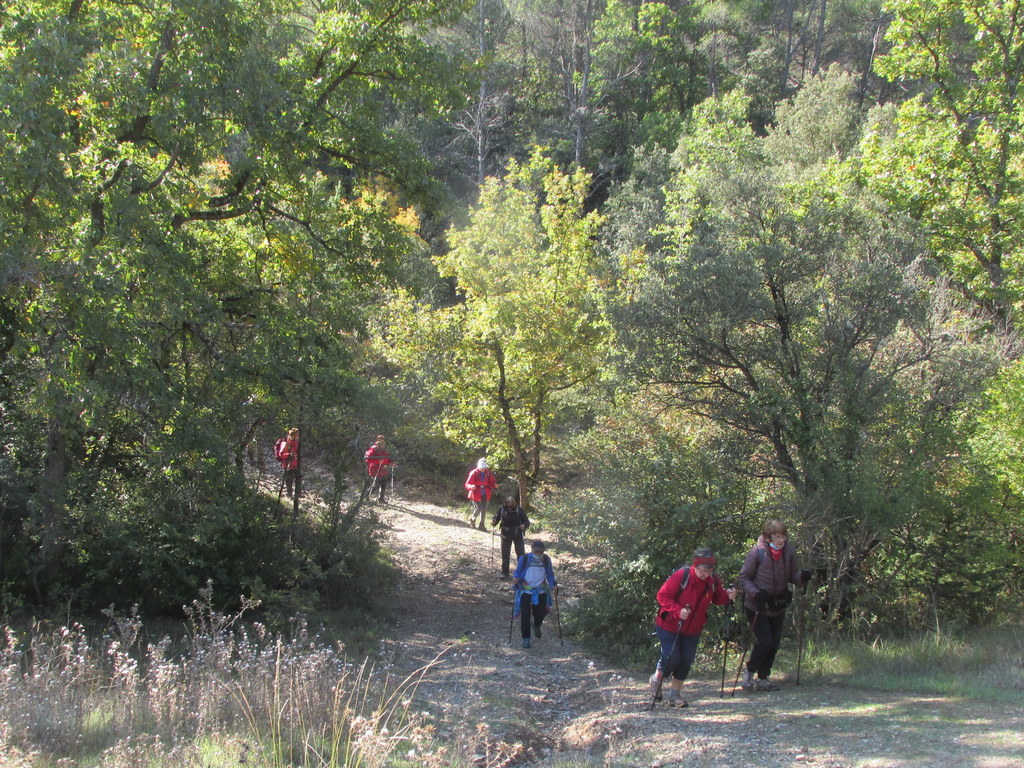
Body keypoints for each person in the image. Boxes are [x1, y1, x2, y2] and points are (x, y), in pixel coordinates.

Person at [648, 547, 736, 707]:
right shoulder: (682, 576)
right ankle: (656, 679)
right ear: (695, 566)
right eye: (703, 570)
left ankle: (675, 696)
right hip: (669, 625)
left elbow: (718, 599)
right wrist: (677, 611)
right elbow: (662, 595)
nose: (706, 574)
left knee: (686, 661)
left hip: (693, 628)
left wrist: (728, 596)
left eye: (709, 570)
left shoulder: (713, 580)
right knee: (672, 658)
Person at [737, 519, 812, 692]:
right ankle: (749, 673)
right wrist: (756, 593)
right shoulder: (756, 553)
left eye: (783, 536)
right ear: (768, 537)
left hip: (778, 603)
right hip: (757, 605)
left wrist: (802, 577)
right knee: (765, 641)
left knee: (775, 643)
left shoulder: (788, 552)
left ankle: (763, 678)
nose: (781, 540)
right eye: (777, 536)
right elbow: (744, 578)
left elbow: (792, 574)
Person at [512, 540, 558, 649]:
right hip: (525, 590)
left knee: (540, 613)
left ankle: (536, 625)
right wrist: (515, 578)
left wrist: (553, 585)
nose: (538, 554)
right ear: (532, 549)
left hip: (541, 590)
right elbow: (518, 572)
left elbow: (550, 575)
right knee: (526, 615)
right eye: (536, 551)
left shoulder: (546, 560)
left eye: (540, 552)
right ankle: (526, 639)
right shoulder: (524, 559)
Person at [492, 496, 529, 577]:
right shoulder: (501, 510)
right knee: (505, 554)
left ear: (514, 505)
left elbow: (526, 521)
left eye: (511, 506)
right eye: (507, 506)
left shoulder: (519, 510)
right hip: (505, 534)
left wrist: (524, 525)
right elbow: (496, 519)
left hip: (517, 533)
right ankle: (505, 572)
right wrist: (494, 521)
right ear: (505, 504)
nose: (509, 508)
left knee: (520, 553)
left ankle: (521, 572)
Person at [464, 458, 497, 530]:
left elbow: (492, 481)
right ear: (479, 466)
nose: (483, 469)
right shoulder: (474, 473)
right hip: (475, 493)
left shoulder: (488, 473)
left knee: (484, 509)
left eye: (484, 467)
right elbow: (467, 484)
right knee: (479, 508)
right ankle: (473, 519)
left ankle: (482, 525)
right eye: (482, 467)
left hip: (485, 493)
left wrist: (495, 484)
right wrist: (471, 486)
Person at [364, 435, 393, 503]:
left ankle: (381, 499)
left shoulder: (385, 448)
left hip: (383, 469)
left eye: (383, 439)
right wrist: (377, 461)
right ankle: (366, 496)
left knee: (383, 484)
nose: (382, 440)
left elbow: (387, 458)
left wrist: (390, 462)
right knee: (376, 484)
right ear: (377, 439)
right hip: (375, 468)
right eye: (380, 439)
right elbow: (367, 459)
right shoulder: (373, 448)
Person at [276, 427, 301, 499]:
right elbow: (281, 454)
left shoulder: (297, 443)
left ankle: (297, 495)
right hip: (288, 466)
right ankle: (289, 495)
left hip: (296, 465)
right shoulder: (286, 443)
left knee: (298, 479)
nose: (297, 437)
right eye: (296, 435)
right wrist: (289, 455)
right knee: (289, 481)